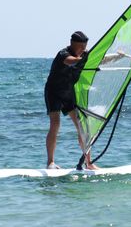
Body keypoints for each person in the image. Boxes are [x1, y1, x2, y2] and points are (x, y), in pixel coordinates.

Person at [44, 31, 99, 170]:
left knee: (82, 126)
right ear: (72, 44)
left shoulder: (83, 55)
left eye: (85, 47)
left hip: (69, 93)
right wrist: (84, 59)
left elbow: (102, 58)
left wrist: (123, 57)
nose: (83, 50)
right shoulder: (63, 53)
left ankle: (89, 162)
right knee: (55, 124)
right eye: (81, 47)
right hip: (53, 92)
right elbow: (69, 61)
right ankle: (50, 162)